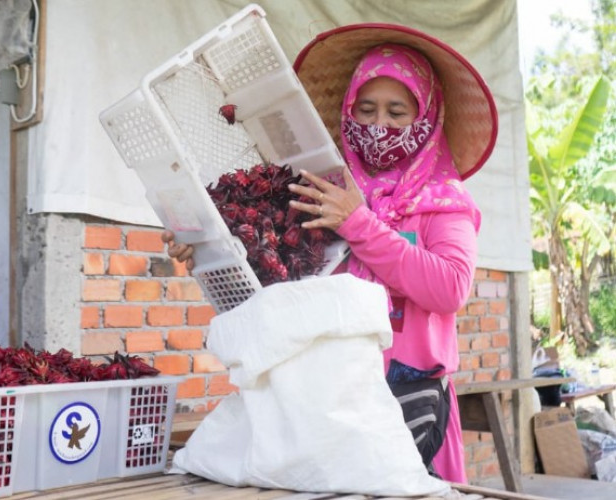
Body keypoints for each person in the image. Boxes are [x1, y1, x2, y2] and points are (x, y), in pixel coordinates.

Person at [164, 23, 497, 484]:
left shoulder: (444, 202)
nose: (379, 124)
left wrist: (359, 224)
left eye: (397, 112)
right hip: (321, 409)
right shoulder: (324, 190)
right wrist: (207, 253)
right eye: (366, 109)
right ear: (348, 112)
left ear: (426, 119)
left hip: (407, 408)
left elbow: (449, 288)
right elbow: (276, 298)